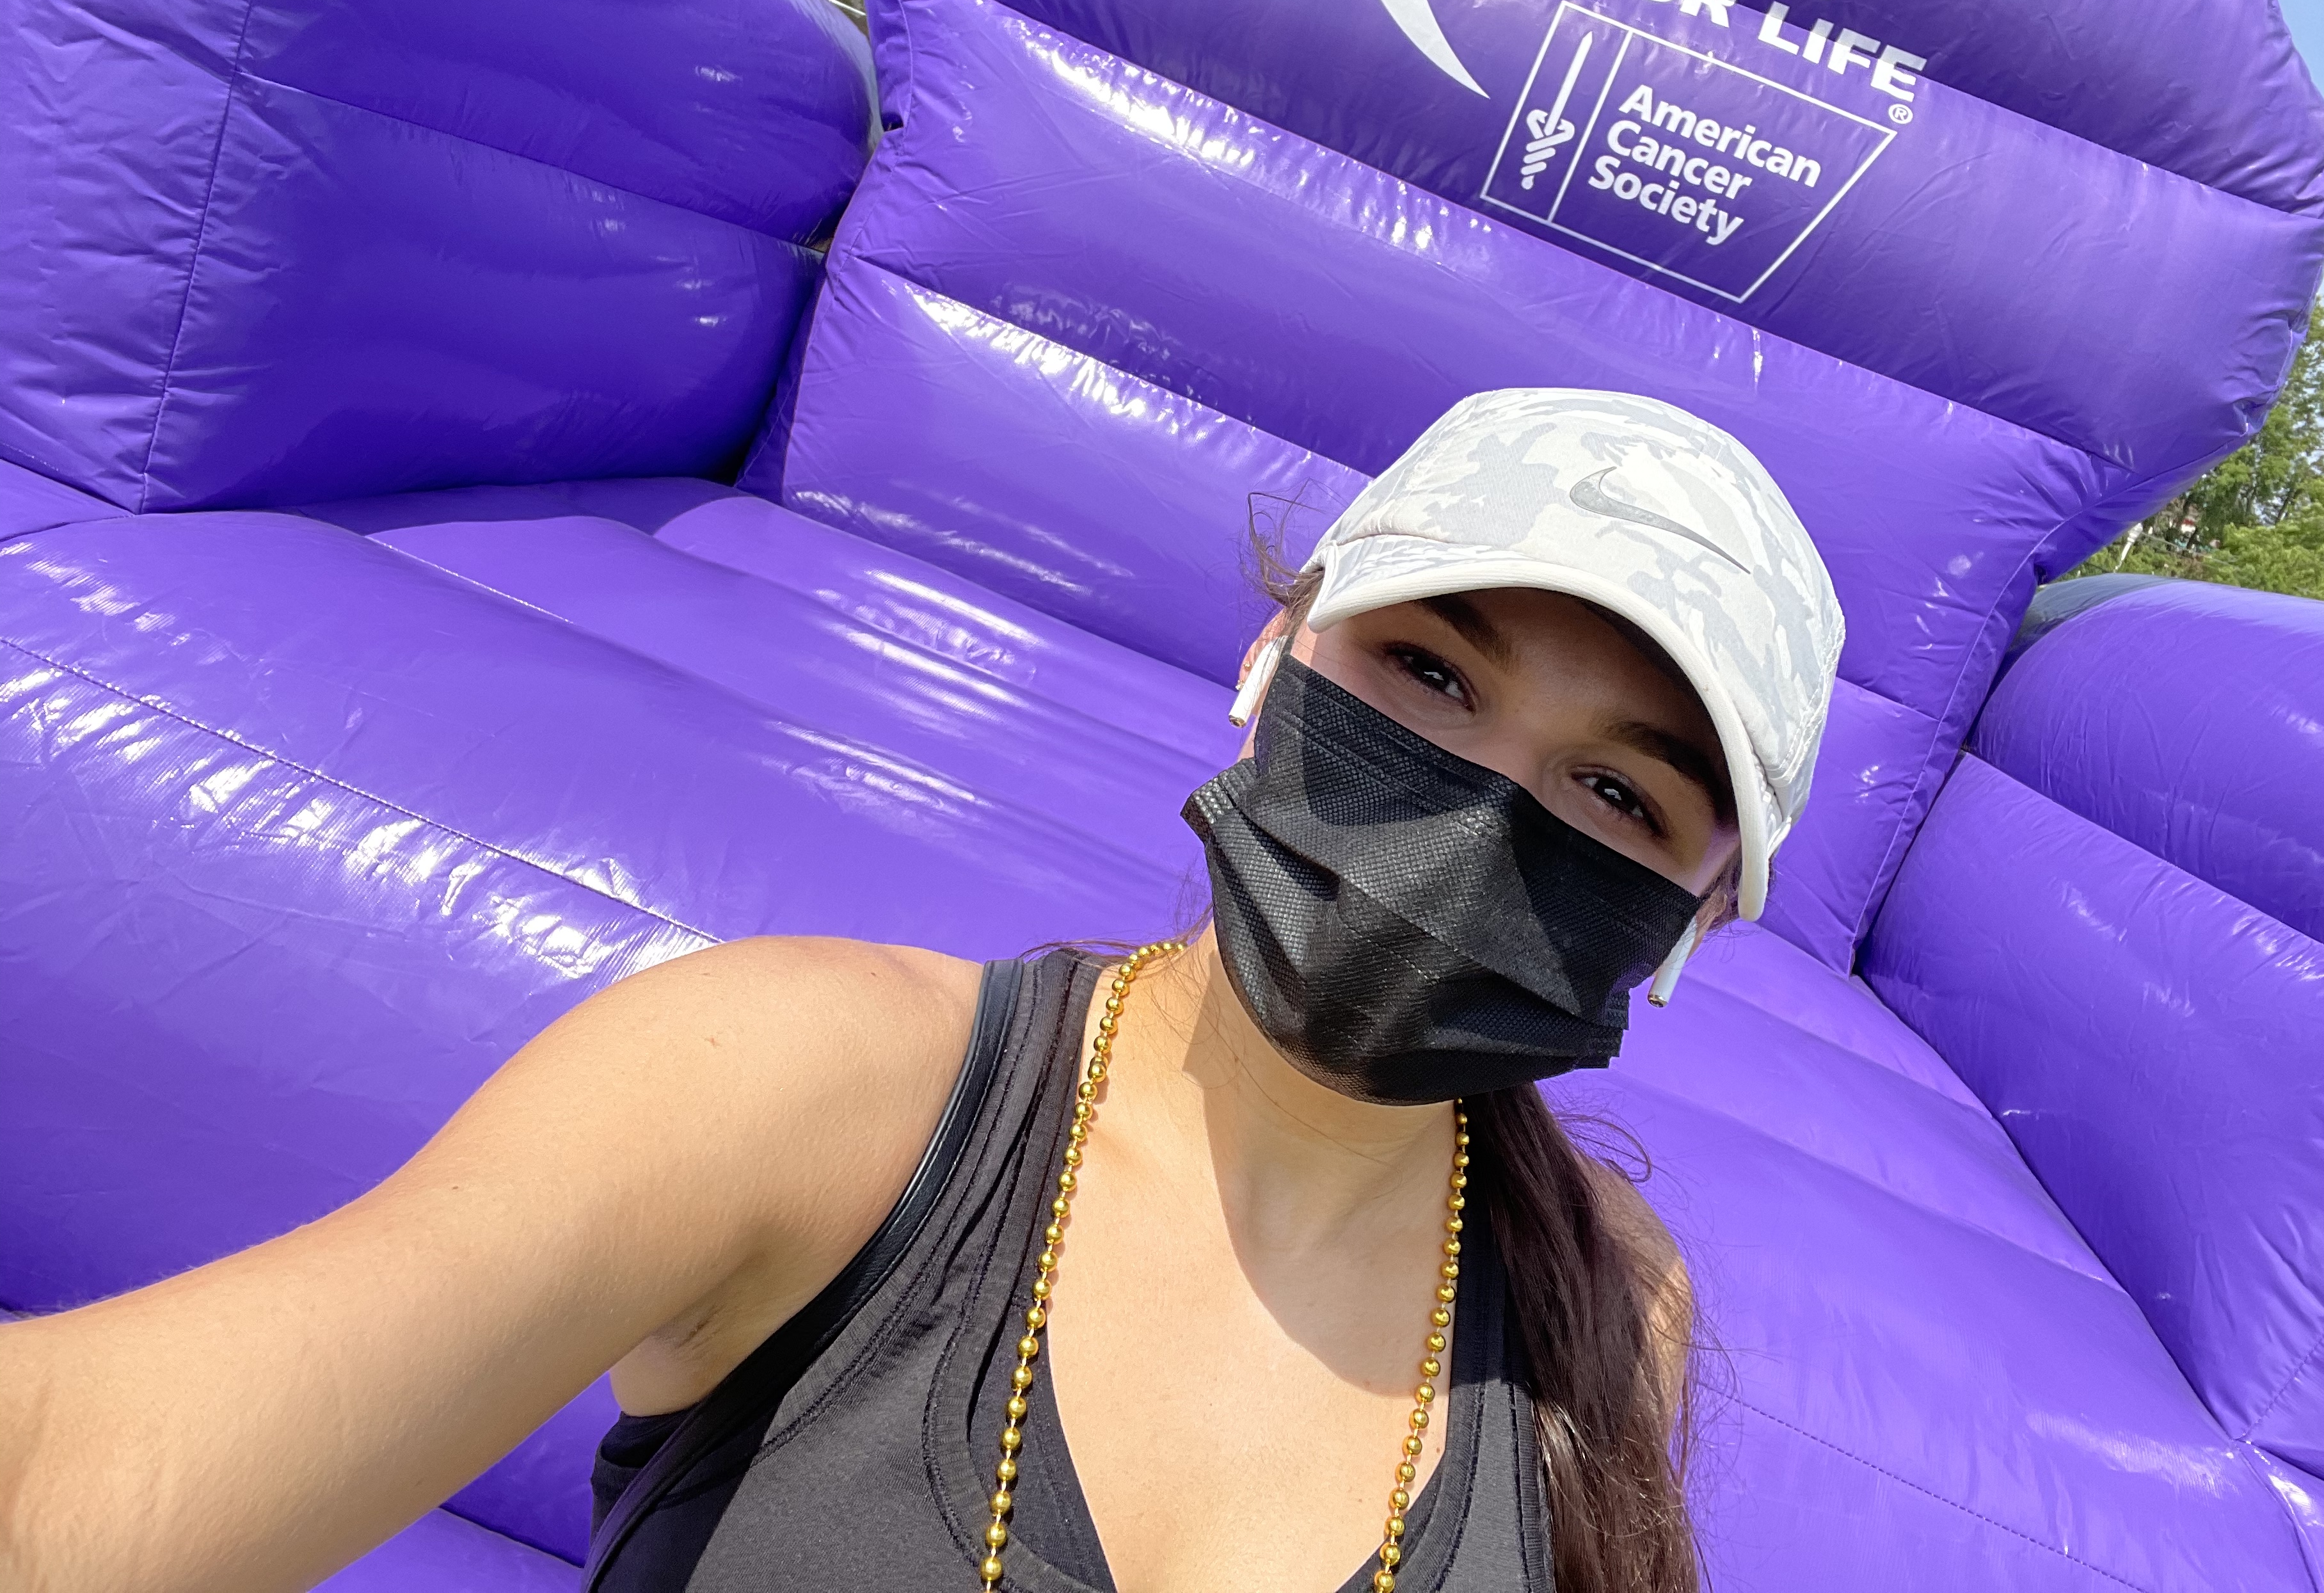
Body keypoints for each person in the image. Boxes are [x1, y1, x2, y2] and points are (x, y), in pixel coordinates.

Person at [0, 387, 1843, 1593]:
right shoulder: (813, 1088)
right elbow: (95, 1464)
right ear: (1273, 659)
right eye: (1431, 673)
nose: (1475, 819)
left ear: (1688, 924)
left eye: (1616, 796)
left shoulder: (1608, 1309)